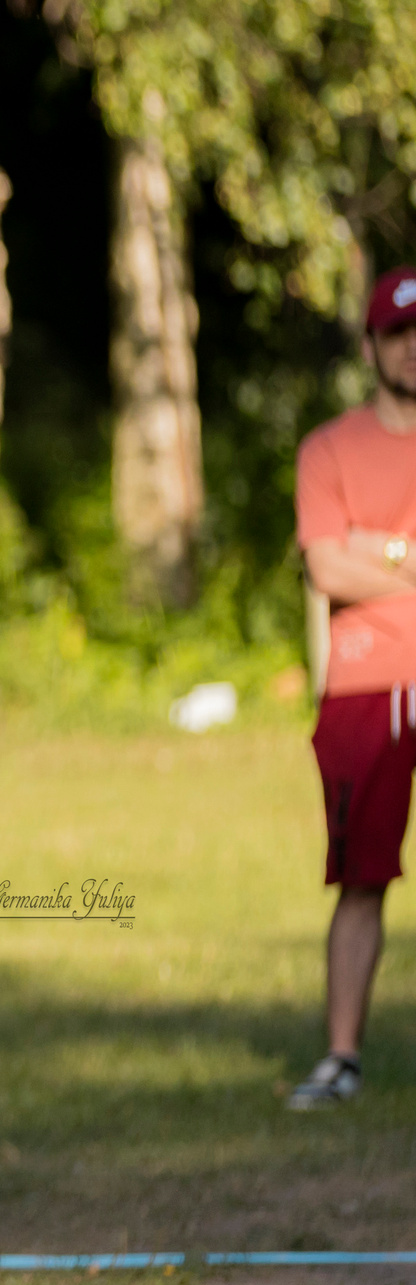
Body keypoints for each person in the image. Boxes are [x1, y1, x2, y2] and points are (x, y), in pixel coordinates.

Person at [291, 265, 416, 1110]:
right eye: (399, 334)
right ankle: (341, 1058)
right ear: (372, 344)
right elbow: (325, 563)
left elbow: (352, 557)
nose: (414, 351)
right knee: (361, 877)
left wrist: (377, 551)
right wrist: (404, 555)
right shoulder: (330, 448)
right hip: (366, 688)